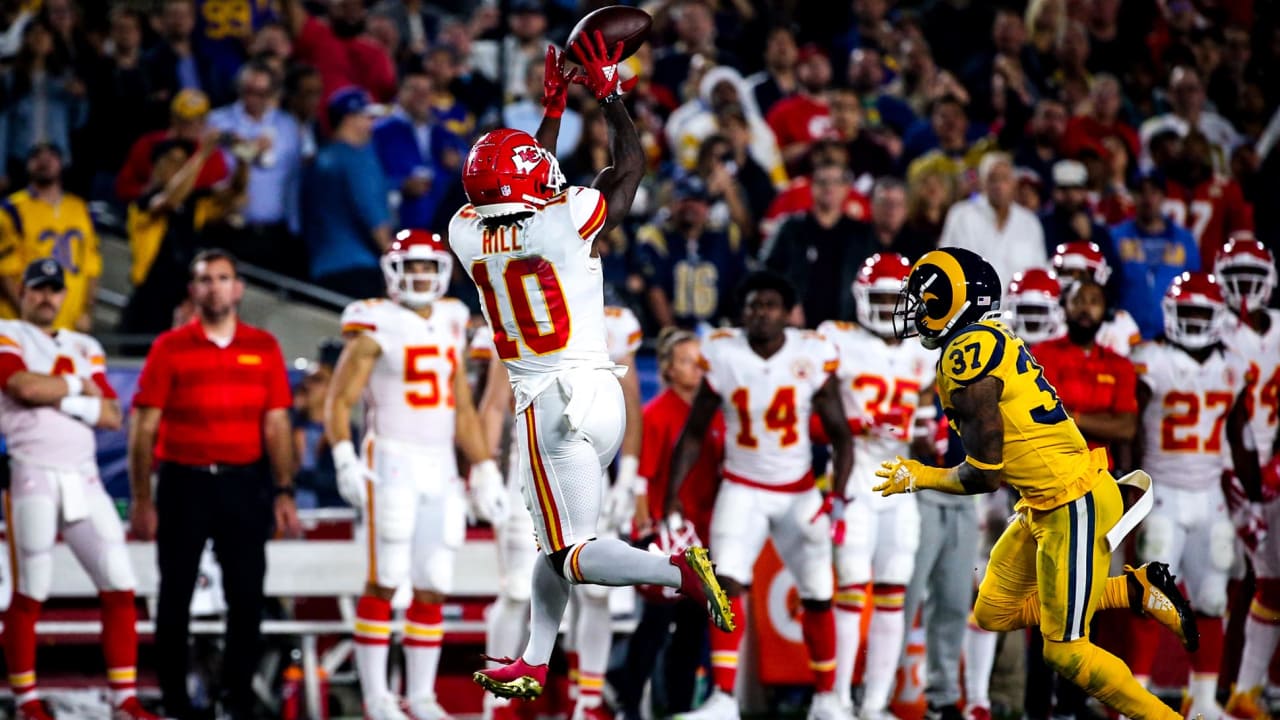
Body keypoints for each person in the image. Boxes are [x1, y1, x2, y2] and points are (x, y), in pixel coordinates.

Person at [448, 36, 733, 701]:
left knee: (571, 551)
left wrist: (551, 107)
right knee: (558, 543)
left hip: (550, 404)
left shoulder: (465, 230)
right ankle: (535, 659)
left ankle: (675, 573)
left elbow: (523, 178)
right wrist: (608, 96)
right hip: (602, 392)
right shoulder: (563, 218)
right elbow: (627, 169)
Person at [873, 246, 1201, 720]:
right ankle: (1133, 591)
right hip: (1046, 503)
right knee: (991, 612)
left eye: (925, 299)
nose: (917, 310)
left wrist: (923, 477)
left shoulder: (967, 351)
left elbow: (984, 473)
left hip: (1072, 501)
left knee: (1064, 651)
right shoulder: (978, 340)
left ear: (955, 302)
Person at [324, 230, 504, 720]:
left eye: (429, 267)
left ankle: (420, 695)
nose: (421, 276)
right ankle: (377, 696)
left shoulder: (451, 317)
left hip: (440, 462)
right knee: (385, 578)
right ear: (394, 272)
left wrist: (484, 466)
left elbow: (462, 405)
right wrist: (344, 455)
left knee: (434, 580)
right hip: (392, 459)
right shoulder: (374, 322)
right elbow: (338, 400)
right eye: (413, 267)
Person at [666, 271, 854, 720]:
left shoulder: (810, 355)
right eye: (753, 304)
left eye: (770, 304)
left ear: (787, 313)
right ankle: (724, 698)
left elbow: (842, 435)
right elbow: (693, 435)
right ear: (742, 311)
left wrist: (840, 498)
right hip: (743, 487)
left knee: (819, 594)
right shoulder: (724, 355)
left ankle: (827, 698)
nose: (761, 312)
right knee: (727, 582)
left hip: (798, 491)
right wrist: (671, 499)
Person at [127, 249, 301, 720]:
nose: (215, 287)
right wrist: (143, 499)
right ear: (193, 289)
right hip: (184, 485)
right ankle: (178, 703)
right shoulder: (169, 347)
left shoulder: (263, 346)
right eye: (205, 279)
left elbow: (277, 425)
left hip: (245, 485)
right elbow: (143, 427)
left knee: (247, 596)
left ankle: (237, 699)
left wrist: (284, 491)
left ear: (238, 288)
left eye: (223, 278)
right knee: (175, 596)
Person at [0, 259, 159, 720]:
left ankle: (123, 698)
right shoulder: (8, 334)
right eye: (38, 289)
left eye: (54, 289)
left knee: (119, 582)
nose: (47, 297)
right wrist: (77, 387)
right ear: (23, 293)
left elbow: (111, 414)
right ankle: (27, 700)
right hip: (32, 469)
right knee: (32, 589)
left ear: (64, 294)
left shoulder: (84, 343)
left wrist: (60, 392)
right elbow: (22, 386)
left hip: (83, 474)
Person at [475, 301, 644, 720]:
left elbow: (631, 403)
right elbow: (494, 403)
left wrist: (631, 477)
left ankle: (586, 701)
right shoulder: (516, 306)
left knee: (597, 593)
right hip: (528, 465)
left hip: (588, 466)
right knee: (516, 590)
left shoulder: (613, 321)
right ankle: (495, 702)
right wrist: (482, 470)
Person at [1126, 271, 1262, 718]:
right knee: (1150, 601)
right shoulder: (1151, 359)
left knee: (1211, 598)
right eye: (1186, 311)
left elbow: (1239, 434)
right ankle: (1136, 701)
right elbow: (1132, 429)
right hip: (1161, 490)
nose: (1193, 320)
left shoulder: (1233, 364)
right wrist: (1129, 489)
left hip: (1209, 495)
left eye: (1200, 312)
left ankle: (1203, 702)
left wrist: (1255, 495)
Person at [817, 253, 938, 717]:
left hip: (900, 484)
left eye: (895, 297)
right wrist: (859, 421)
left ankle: (873, 704)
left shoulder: (919, 352)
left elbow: (927, 412)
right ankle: (836, 700)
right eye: (879, 297)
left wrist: (929, 431)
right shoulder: (837, 340)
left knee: (893, 590)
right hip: (855, 481)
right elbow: (816, 408)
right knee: (851, 586)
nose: (888, 306)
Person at [613, 328, 725, 718]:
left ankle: (679, 706)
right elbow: (641, 480)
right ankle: (628, 701)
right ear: (667, 369)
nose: (696, 368)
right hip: (667, 536)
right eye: (686, 361)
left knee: (693, 630)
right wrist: (647, 531)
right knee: (656, 625)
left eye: (699, 361)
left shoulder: (714, 411)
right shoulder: (657, 413)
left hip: (706, 533)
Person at [1214, 237, 1280, 719]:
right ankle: (1222, 687)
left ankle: (1244, 689)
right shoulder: (1212, 327)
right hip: (1223, 466)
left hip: (1271, 467)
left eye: (1252, 280)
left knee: (1265, 580)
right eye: (1234, 280)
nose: (1243, 291)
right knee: (1229, 581)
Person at [763, 156, 876, 327]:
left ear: (846, 188)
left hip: (847, 329)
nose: (829, 188)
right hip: (797, 330)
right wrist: (786, 304)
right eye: (822, 182)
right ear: (812, 187)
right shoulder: (790, 228)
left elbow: (872, 281)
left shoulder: (862, 234)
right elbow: (767, 272)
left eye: (836, 182)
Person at [302, 87, 391, 297]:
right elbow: (373, 215)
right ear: (350, 118)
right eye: (367, 117)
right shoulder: (356, 159)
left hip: (320, 267)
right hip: (359, 268)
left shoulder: (321, 158)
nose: (372, 125)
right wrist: (394, 260)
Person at [0, 143, 100, 331]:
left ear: (62, 163)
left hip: (68, 326)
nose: (44, 160)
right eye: (36, 155)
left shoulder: (79, 208)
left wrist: (86, 311)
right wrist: (28, 315)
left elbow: (91, 267)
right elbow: (4, 273)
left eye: (51, 155)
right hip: (20, 325)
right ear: (27, 164)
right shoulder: (11, 210)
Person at [1109, 172, 1199, 341]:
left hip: (1172, 339)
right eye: (1141, 192)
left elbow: (1194, 287)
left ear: (1163, 197)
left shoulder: (1184, 240)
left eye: (1154, 192)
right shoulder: (1116, 237)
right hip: (1126, 337)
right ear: (1133, 197)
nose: (1147, 198)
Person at [938, 151, 1046, 290]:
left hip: (1014, 308)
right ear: (983, 183)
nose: (999, 186)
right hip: (971, 307)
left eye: (1004, 179)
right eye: (993, 179)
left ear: (1014, 183)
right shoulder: (961, 215)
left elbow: (1038, 273)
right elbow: (945, 264)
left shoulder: (1029, 223)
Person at [1049, 241, 1141, 357]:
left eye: (1081, 275)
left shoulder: (1121, 324)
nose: (1074, 284)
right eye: (1066, 274)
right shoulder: (1047, 320)